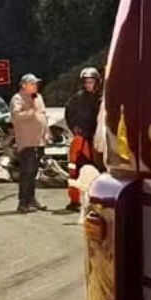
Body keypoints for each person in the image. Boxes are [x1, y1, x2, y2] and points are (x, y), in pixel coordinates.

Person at [63, 66, 103, 213]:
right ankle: (74, 201)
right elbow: (69, 114)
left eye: (91, 82)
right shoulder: (76, 99)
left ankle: (97, 200)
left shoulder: (103, 99)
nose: (88, 85)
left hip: (98, 140)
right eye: (86, 82)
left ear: (97, 82)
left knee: (99, 171)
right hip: (80, 140)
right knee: (74, 170)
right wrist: (74, 127)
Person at [10, 74, 50, 214]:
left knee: (34, 172)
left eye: (36, 84)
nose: (35, 86)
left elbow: (43, 115)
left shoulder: (39, 98)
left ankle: (31, 199)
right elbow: (16, 117)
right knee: (26, 172)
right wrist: (31, 112)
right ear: (24, 85)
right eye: (32, 84)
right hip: (26, 142)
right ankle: (23, 202)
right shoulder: (17, 98)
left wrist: (47, 132)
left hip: (39, 141)